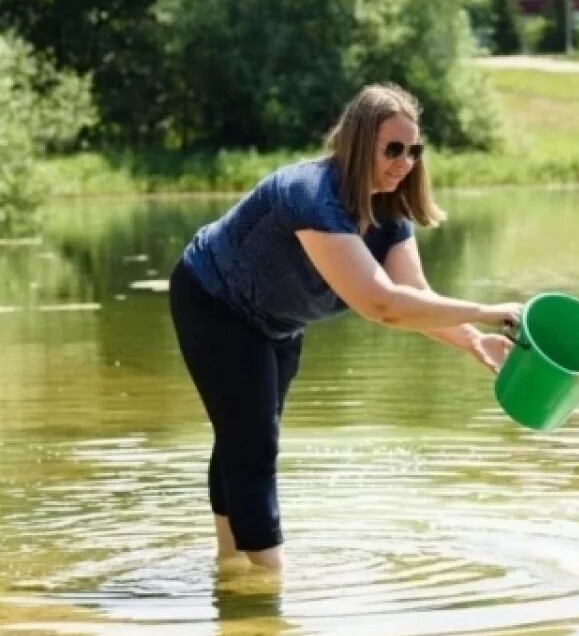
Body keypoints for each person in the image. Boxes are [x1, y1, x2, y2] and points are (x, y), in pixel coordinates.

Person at [168, 83, 522, 571]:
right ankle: (270, 581)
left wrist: (471, 339)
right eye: (393, 149)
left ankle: (231, 564)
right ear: (358, 145)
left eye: (413, 150)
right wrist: (485, 312)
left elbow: (413, 295)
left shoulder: (389, 212)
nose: (405, 162)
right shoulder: (309, 196)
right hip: (214, 301)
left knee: (244, 432)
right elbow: (382, 305)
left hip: (277, 320)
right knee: (252, 440)